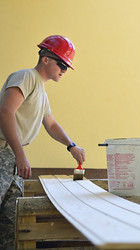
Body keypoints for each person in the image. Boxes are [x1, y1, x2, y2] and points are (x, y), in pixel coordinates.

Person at [0, 35, 86, 249]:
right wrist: (21, 155)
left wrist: (71, 145)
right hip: (3, 154)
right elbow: (6, 112)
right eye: (62, 64)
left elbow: (51, 124)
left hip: (12, 160)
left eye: (67, 67)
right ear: (45, 59)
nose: (64, 70)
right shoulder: (26, 77)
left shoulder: (41, 92)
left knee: (10, 224)